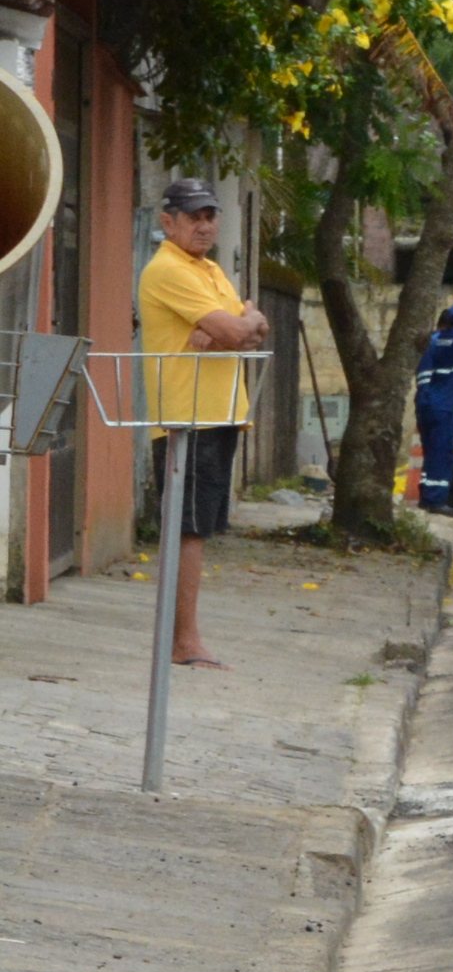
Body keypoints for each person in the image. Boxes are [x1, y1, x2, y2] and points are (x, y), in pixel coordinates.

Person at [133, 178, 266, 669]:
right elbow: (238, 326)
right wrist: (236, 325)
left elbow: (253, 325)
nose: (205, 225)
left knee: (200, 529)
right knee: (186, 531)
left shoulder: (208, 270)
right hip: (185, 418)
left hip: (217, 414)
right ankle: (183, 640)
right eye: (194, 217)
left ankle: (185, 637)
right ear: (168, 222)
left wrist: (236, 325)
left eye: (210, 216)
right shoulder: (167, 269)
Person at [412, 300, 453, 513]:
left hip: (425, 404)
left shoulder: (433, 340)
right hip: (444, 405)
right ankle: (437, 500)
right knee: (444, 453)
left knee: (431, 452)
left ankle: (426, 496)